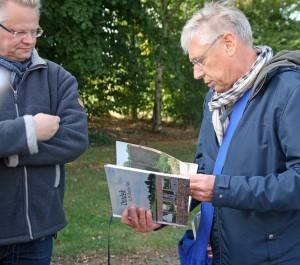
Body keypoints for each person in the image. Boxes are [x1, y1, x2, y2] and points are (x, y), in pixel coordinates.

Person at [122, 1, 300, 264]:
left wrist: (222, 189)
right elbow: (206, 170)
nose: (196, 73)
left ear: (228, 43)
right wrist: (161, 214)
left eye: (200, 61)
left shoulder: (289, 91)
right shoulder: (214, 99)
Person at [0, 0, 88, 264]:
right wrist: (31, 130)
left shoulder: (58, 78)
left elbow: (75, 140)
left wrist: (11, 153)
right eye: (18, 32)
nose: (28, 41)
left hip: (37, 233)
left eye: (34, 32)